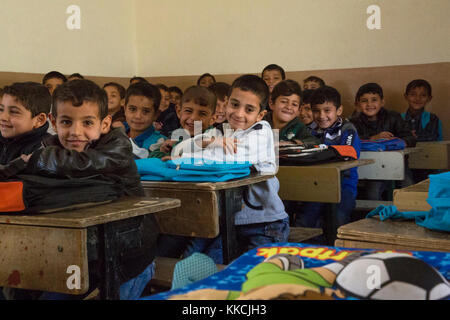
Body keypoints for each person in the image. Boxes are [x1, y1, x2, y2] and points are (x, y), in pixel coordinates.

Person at [20, 79, 155, 300]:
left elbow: (84, 163)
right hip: (79, 253)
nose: (76, 131)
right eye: (66, 122)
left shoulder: (118, 146)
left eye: (87, 123)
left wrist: (42, 159)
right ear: (54, 122)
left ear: (104, 124)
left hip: (128, 255)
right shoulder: (51, 147)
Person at [173, 74, 290, 259]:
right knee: (212, 267)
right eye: (234, 104)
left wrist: (200, 149)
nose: (239, 113)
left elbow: (225, 160)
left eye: (249, 109)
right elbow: (177, 151)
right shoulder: (218, 132)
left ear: (260, 115)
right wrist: (208, 142)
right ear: (226, 103)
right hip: (229, 222)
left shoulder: (262, 131)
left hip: (265, 224)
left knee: (253, 278)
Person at [295, 86, 361, 243]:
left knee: (338, 219)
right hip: (315, 187)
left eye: (327, 110)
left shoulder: (347, 129)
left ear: (339, 110)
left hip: (344, 186)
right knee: (305, 221)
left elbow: (349, 153)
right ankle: (307, 255)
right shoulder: (309, 131)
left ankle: (339, 254)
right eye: (317, 111)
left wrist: (317, 152)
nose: (321, 116)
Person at [351, 82, 416, 200]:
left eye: (374, 100)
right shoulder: (354, 122)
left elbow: (410, 138)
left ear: (382, 102)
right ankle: (379, 217)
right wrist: (373, 139)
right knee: (372, 194)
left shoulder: (393, 117)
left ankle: (408, 216)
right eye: (364, 101)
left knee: (408, 188)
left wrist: (395, 143)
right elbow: (352, 141)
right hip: (371, 168)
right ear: (358, 104)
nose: (369, 104)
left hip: (398, 164)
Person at [0, 82, 51, 174]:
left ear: (39, 120)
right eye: (1, 109)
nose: (3, 117)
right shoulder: (3, 139)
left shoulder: (43, 151)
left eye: (14, 112)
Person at [401, 79, 443, 182]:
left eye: (423, 95)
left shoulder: (433, 119)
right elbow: (395, 139)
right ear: (406, 96)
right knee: (405, 179)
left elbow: (431, 138)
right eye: (413, 94)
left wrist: (411, 137)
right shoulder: (398, 118)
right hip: (405, 164)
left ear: (429, 98)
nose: (417, 98)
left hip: (429, 163)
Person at [266, 80, 320, 146]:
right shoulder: (260, 122)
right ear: (271, 103)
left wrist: (291, 143)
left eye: (294, 104)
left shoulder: (298, 126)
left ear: (298, 110)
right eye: (284, 101)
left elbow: (315, 141)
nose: (289, 107)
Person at [123, 81, 166, 159]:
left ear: (156, 115)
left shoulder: (161, 144)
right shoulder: (116, 135)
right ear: (125, 109)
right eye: (132, 109)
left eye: (146, 111)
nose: (138, 116)